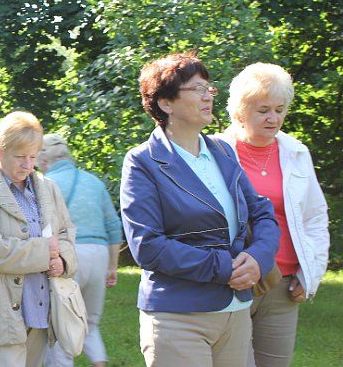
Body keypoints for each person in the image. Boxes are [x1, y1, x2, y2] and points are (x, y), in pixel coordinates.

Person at [120, 51, 280, 367]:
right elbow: (147, 246)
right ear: (166, 103)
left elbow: (262, 212)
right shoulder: (142, 162)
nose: (208, 96)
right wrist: (224, 268)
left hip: (236, 312)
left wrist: (258, 259)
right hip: (178, 315)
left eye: (209, 88)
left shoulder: (222, 151)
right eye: (197, 89)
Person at [216, 63, 329, 366]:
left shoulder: (296, 152)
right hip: (233, 280)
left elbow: (315, 217)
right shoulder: (215, 151)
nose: (273, 118)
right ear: (240, 111)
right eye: (263, 110)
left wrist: (310, 275)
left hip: (283, 285)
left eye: (279, 110)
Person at [0, 111, 76, 367]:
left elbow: (65, 232)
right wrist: (44, 253)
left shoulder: (48, 187)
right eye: (20, 157)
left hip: (41, 305)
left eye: (33, 156)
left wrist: (63, 261)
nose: (28, 164)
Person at [38, 133, 121, 367]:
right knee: (90, 323)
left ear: (44, 160)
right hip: (99, 254)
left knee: (60, 325)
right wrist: (112, 266)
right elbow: (114, 226)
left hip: (68, 256)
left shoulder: (45, 184)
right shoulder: (94, 182)